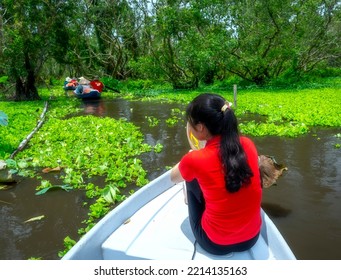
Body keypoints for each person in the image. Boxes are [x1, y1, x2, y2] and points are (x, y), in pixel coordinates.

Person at [170, 93, 262, 255]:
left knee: (189, 176)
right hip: (251, 239)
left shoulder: (194, 159)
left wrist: (191, 154)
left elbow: (173, 178)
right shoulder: (248, 144)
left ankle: (191, 201)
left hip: (215, 244)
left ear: (200, 128)